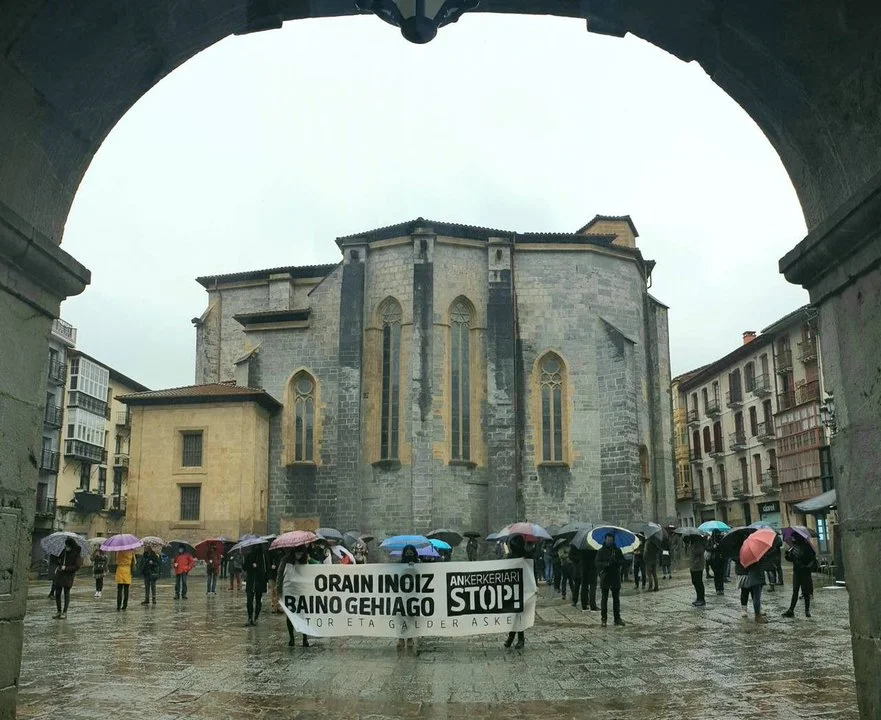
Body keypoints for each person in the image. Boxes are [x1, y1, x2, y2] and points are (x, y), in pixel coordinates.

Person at [280, 545, 311, 647]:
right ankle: (291, 638)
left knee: (303, 614)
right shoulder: (286, 560)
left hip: (300, 590)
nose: (299, 555)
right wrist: (278, 589)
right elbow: (280, 573)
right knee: (290, 614)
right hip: (289, 590)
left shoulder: (305, 560)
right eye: (298, 553)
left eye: (301, 554)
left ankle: (304, 638)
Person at [782, 533, 817, 618]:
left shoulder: (807, 547)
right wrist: (787, 555)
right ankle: (791, 610)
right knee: (795, 591)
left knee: (806, 592)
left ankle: (807, 611)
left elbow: (812, 558)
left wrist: (807, 566)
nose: (793, 539)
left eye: (794, 537)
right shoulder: (794, 547)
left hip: (805, 572)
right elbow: (791, 559)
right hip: (797, 572)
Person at [504, 535, 529, 648]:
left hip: (520, 588)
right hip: (513, 588)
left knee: (518, 614)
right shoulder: (524, 555)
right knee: (515, 614)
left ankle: (517, 638)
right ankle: (514, 637)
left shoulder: (525, 556)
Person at [595, 532, 625, 627]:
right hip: (605, 577)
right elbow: (597, 563)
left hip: (615, 577)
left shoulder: (617, 550)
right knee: (604, 599)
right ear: (605, 539)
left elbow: (622, 561)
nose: (609, 541)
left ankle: (617, 618)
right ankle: (604, 619)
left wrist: (617, 561)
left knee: (616, 599)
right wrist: (606, 564)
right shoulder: (601, 551)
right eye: (608, 539)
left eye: (611, 540)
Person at [52, 538, 82, 619]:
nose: (66, 547)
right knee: (57, 593)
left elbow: (77, 566)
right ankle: (58, 611)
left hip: (68, 576)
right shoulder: (63, 552)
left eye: (68, 546)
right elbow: (58, 560)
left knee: (66, 593)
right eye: (66, 545)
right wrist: (58, 562)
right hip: (60, 575)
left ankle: (65, 612)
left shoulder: (76, 554)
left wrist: (66, 568)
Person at [244, 544, 268, 626]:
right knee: (249, 601)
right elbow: (245, 567)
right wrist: (251, 565)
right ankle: (250, 617)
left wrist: (258, 567)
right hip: (251, 581)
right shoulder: (249, 555)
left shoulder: (263, 556)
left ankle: (256, 618)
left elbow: (266, 569)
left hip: (260, 582)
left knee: (258, 601)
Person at [687, 534, 707, 607]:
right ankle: (698, 598)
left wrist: (692, 547)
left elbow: (699, 552)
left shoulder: (698, 544)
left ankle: (701, 599)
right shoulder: (693, 544)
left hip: (698, 566)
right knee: (695, 582)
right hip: (693, 566)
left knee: (698, 582)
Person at [579, 546, 600, 611]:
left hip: (584, 568)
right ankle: (593, 606)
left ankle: (584, 605)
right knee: (592, 587)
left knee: (584, 587)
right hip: (592, 568)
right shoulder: (594, 545)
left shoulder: (582, 547)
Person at [708, 530, 727, 596]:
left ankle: (721, 589)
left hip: (721, 559)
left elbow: (724, 548)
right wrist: (713, 547)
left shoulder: (722, 539)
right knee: (716, 575)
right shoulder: (711, 540)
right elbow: (707, 548)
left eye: (718, 533)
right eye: (716, 534)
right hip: (714, 560)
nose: (718, 535)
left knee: (721, 575)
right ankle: (718, 589)